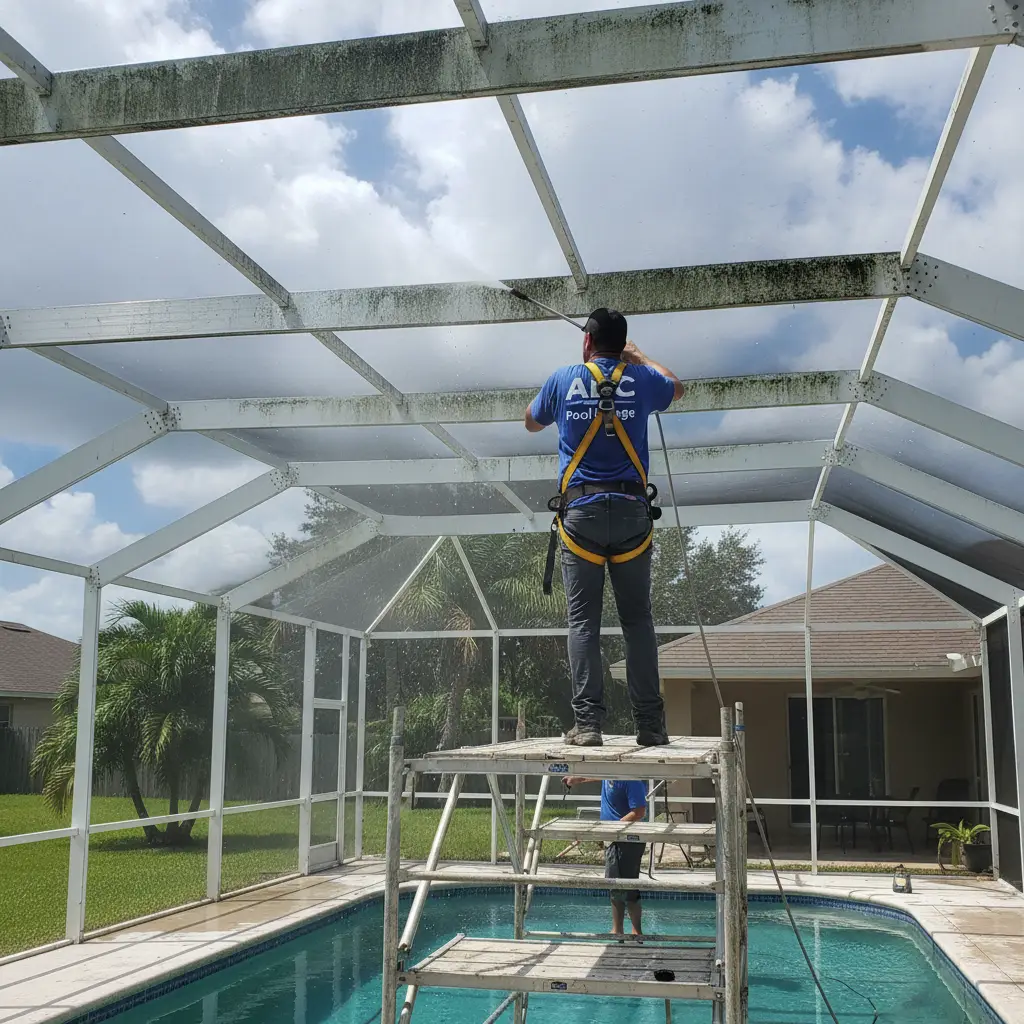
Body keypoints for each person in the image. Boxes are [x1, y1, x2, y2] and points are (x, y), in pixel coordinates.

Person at [525, 308, 685, 747]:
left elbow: (530, 419)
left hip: (581, 516)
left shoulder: (564, 379)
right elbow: (677, 386)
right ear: (624, 343)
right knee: (638, 621)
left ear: (586, 343)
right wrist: (639, 357)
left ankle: (589, 724)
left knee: (583, 623)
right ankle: (650, 726)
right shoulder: (643, 379)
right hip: (633, 513)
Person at [566, 776, 648, 935]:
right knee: (614, 885)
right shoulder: (610, 773)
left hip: (627, 840)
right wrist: (578, 779)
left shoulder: (631, 780)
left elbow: (639, 812)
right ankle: (618, 930)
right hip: (612, 838)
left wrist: (613, 829)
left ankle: (636, 932)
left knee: (628, 887)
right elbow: (598, 774)